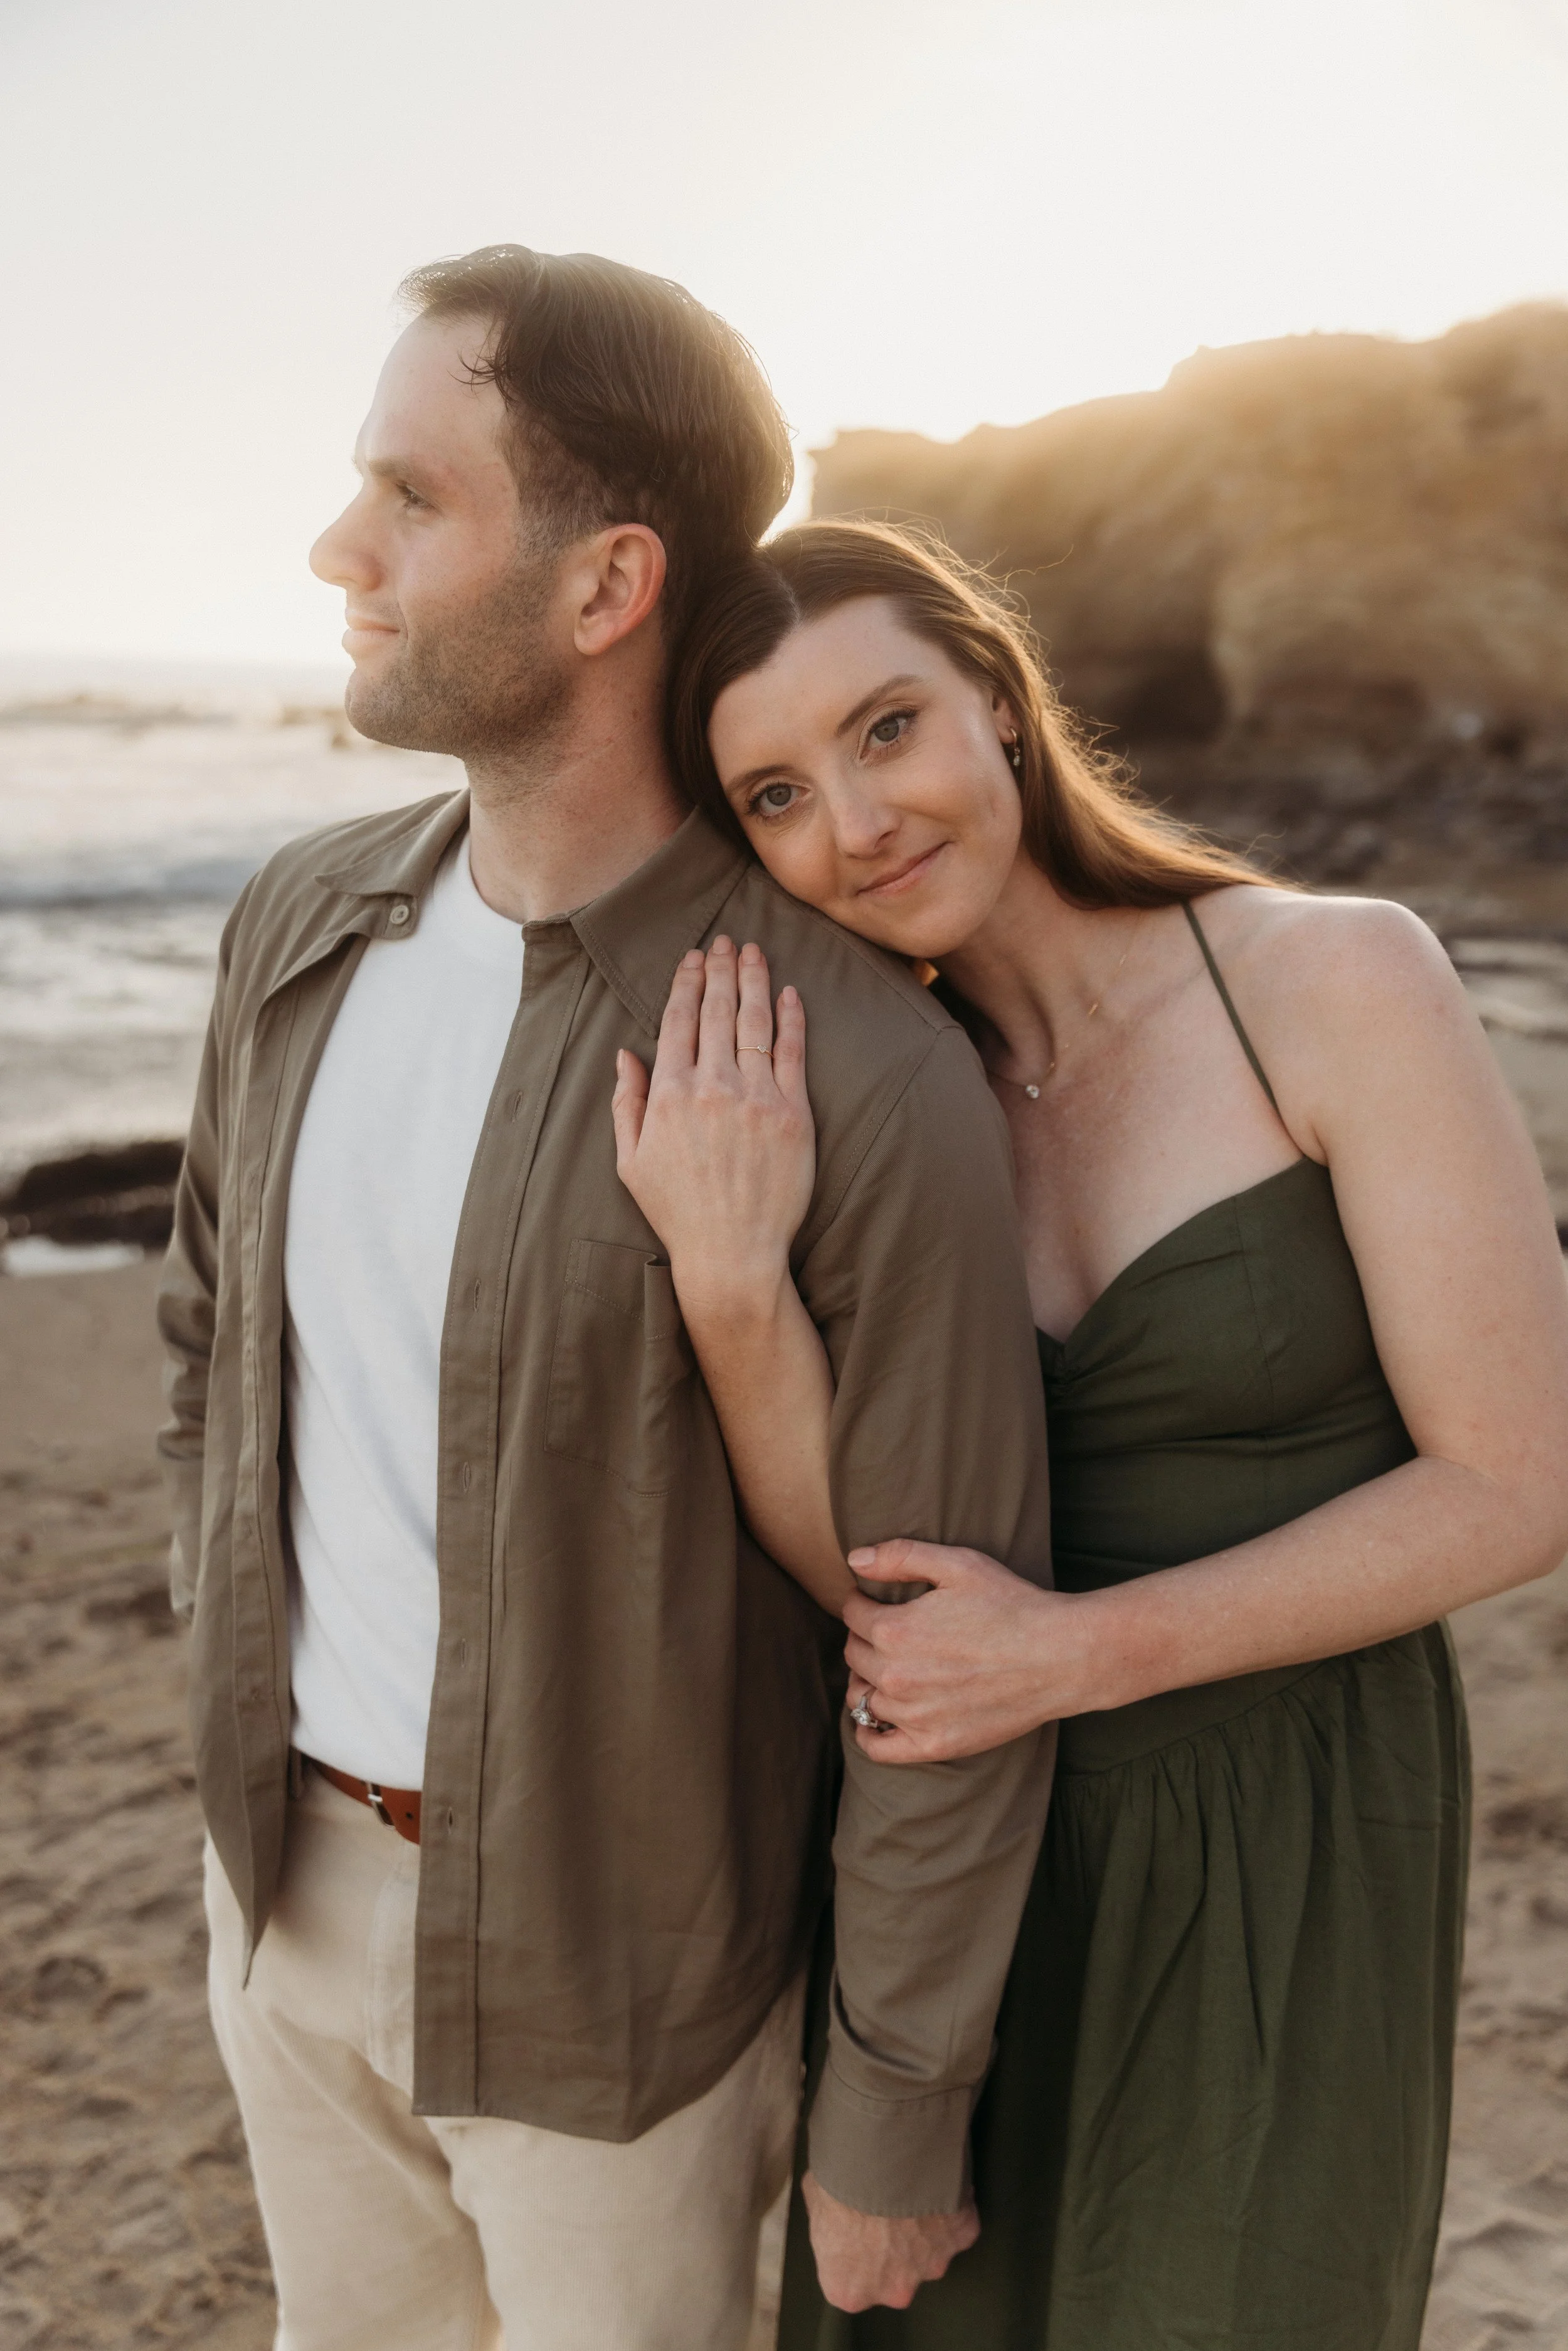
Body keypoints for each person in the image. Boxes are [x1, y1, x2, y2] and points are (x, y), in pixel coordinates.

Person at [156, 258, 1058, 2350]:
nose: (336, 548)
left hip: (628, 1991)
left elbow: (940, 1640)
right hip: (280, 1897)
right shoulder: (300, 917)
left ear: (601, 585)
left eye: (408, 493)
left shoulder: (853, 1062)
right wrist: (236, 1714)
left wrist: (895, 2110)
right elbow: (212, 1345)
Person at [612, 519, 1568, 2347]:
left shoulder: (1326, 979)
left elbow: (1515, 1482)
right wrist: (731, 1282)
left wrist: (1074, 1650)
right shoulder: (887, 1101)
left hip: (1280, 1826)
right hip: (961, 1852)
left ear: (992, 692)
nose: (856, 822)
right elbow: (879, 1589)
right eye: (777, 794)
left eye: (886, 727)